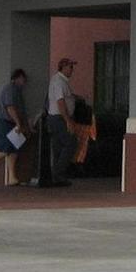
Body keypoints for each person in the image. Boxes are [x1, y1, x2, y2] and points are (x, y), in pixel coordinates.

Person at [44, 56, 78, 186]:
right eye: (70, 67)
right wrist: (68, 120)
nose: (72, 70)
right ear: (63, 67)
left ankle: (57, 177)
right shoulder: (59, 81)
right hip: (59, 118)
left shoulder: (61, 81)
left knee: (58, 147)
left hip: (56, 118)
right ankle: (57, 173)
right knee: (71, 143)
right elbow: (60, 101)